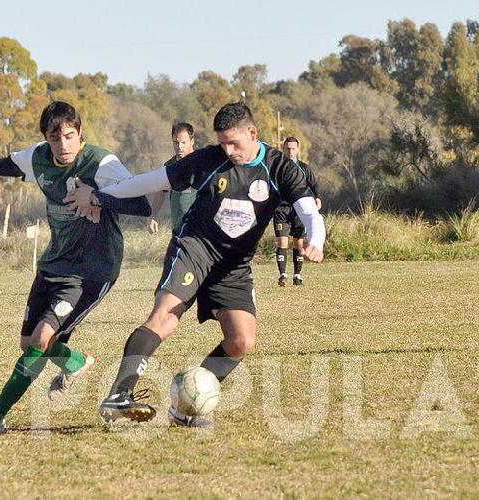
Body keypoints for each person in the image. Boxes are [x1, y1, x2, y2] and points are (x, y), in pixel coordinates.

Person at [65, 102, 326, 428]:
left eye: (235, 143)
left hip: (234, 266)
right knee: (165, 317)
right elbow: (150, 181)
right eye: (223, 143)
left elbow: (308, 210)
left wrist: (316, 240)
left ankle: (185, 407)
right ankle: (120, 395)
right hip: (194, 249)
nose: (228, 151)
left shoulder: (279, 168)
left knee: (241, 342)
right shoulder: (208, 160)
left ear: (253, 133)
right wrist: (101, 196)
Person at [0, 101, 151, 434]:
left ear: (80, 133)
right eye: (56, 138)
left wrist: (97, 196)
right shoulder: (39, 156)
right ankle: (76, 362)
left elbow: (143, 204)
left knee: (42, 339)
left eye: (70, 136)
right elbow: (11, 165)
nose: (64, 145)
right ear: (46, 138)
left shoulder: (101, 163)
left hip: (92, 270)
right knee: (29, 344)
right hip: (54, 261)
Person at [273, 137, 321, 287]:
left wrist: (317, 198)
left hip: (299, 209)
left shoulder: (304, 168)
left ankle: (297, 276)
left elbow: (314, 185)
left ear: (298, 149)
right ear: (283, 149)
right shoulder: (276, 169)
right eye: (288, 148)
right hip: (281, 209)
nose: (290, 151)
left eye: (293, 148)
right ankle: (282, 275)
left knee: (298, 243)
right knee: (282, 241)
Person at [147, 122, 198, 237]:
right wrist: (153, 215)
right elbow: (161, 193)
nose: (179, 147)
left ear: (192, 141)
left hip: (199, 229)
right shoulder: (169, 166)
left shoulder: (202, 163)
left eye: (183, 143)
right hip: (178, 229)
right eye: (176, 142)